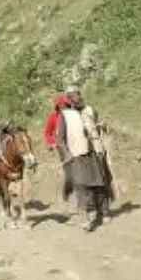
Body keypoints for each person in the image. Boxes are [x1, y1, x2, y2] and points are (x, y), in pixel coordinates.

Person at [55, 87, 111, 231]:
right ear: (69, 99)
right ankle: (89, 214)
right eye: (74, 96)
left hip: (95, 151)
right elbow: (59, 139)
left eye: (79, 95)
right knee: (83, 185)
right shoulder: (64, 115)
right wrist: (67, 154)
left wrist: (102, 127)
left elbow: (99, 125)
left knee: (100, 182)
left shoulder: (90, 110)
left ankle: (104, 211)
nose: (78, 98)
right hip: (77, 154)